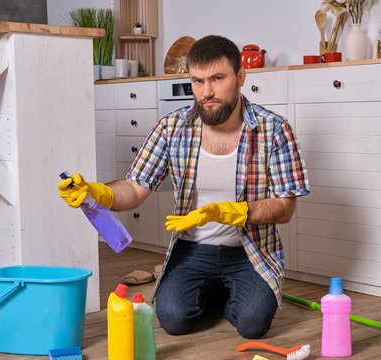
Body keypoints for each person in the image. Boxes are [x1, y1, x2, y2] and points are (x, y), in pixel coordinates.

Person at [58, 35, 309, 339]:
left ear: (240, 77)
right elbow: (136, 187)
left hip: (249, 251)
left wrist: (230, 211)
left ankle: (230, 296)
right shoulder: (171, 127)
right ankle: (216, 292)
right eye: (198, 81)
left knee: (253, 325)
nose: (207, 92)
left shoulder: (274, 130)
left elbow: (285, 207)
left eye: (218, 78)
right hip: (191, 249)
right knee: (173, 321)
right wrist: (97, 193)